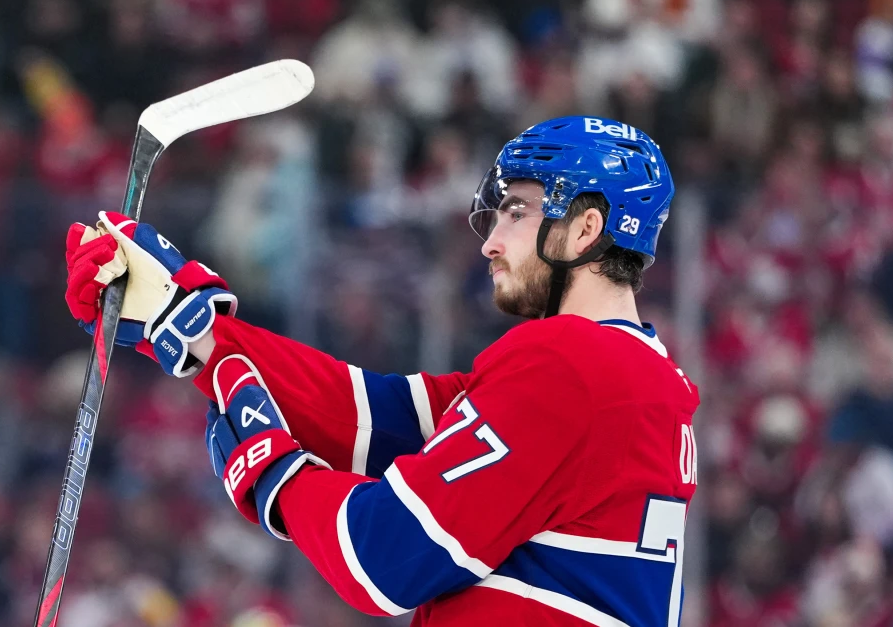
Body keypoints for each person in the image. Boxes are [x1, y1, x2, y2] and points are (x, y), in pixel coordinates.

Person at [64, 116, 698, 625]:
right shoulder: (632, 377)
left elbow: (385, 559)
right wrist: (193, 325)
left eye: (519, 211)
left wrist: (276, 477)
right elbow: (371, 416)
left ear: (587, 228)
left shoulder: (570, 367)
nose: (491, 240)